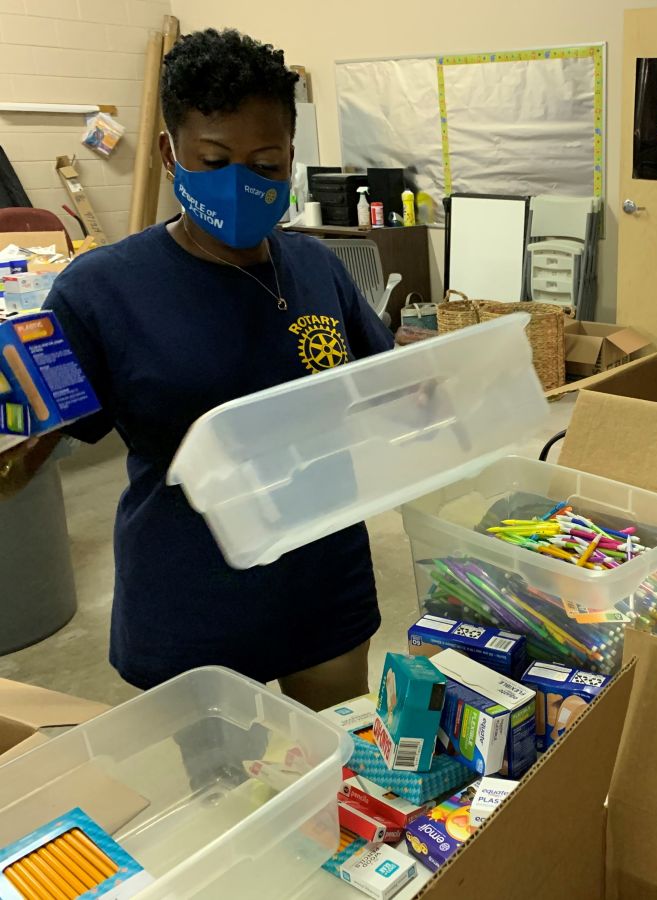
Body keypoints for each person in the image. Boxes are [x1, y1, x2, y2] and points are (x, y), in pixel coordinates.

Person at [0, 29, 394, 710]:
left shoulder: (315, 266)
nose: (241, 184)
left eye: (266, 164)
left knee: (339, 761)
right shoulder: (103, 291)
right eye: (214, 162)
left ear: (291, 157)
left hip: (323, 582)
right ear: (169, 154)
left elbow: (383, 384)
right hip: (194, 601)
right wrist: (16, 426)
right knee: (221, 774)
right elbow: (23, 455)